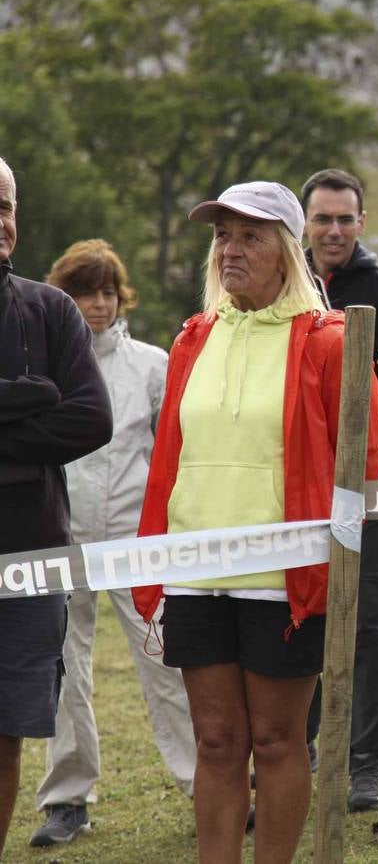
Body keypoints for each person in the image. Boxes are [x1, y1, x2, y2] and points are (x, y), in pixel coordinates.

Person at [130, 181, 378, 864]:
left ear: (285, 250)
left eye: (249, 236)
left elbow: (369, 453)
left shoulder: (330, 341)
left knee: (277, 741)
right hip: (194, 570)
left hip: (283, 579)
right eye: (222, 236)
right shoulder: (193, 338)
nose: (231, 250)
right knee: (215, 741)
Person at [29, 241, 194, 848]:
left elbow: (171, 453)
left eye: (107, 292)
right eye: (84, 292)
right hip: (60, 536)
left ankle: (206, 784)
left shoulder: (153, 364)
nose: (98, 305)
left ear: (121, 296)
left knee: (166, 661)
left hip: (136, 540)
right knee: (63, 670)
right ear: (63, 296)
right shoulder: (42, 366)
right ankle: (67, 798)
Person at [0, 155, 114, 856]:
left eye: (6, 204)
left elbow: (90, 421)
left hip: (27, 563)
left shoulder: (48, 308)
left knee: (5, 726)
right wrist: (25, 399)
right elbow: (57, 418)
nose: (1, 221)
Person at [299, 168, 378, 812]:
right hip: (299, 490)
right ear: (304, 223)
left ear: (362, 223)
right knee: (301, 615)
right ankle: (306, 754)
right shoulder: (283, 295)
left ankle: (370, 761)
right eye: (323, 218)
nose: (335, 230)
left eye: (346, 219)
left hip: (373, 492)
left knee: (370, 618)